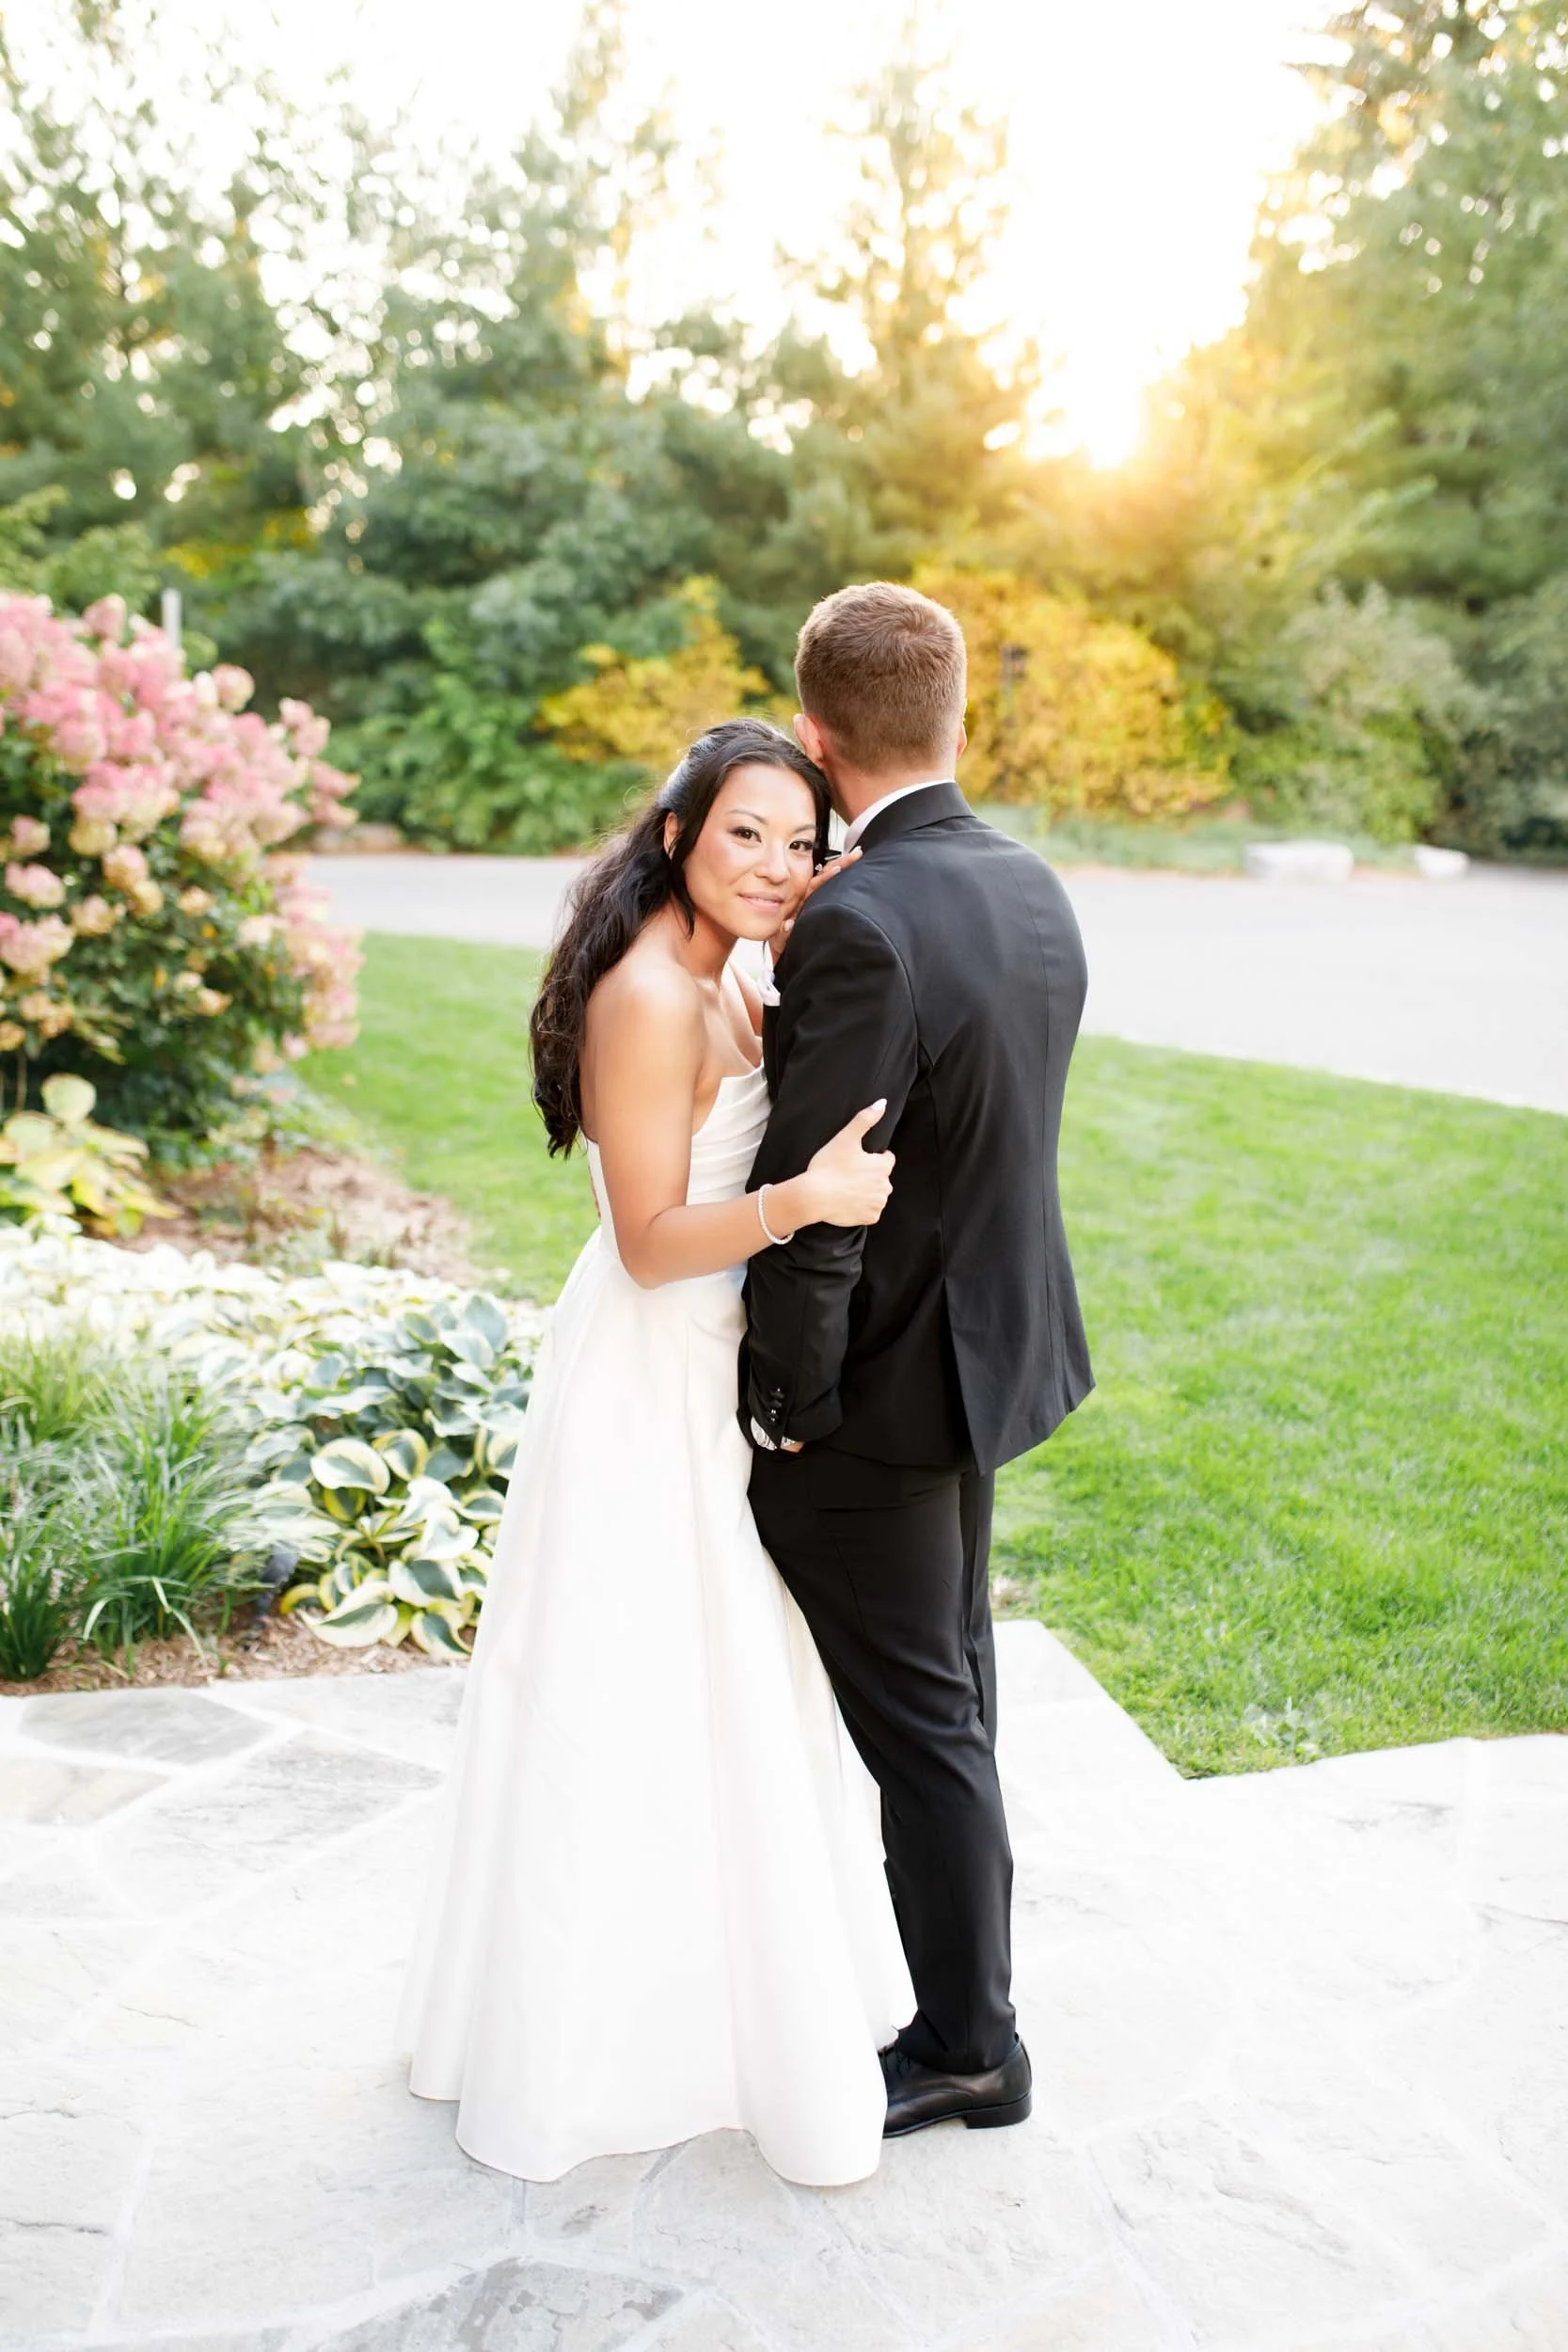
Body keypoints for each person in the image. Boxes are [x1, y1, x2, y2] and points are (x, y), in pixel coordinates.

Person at [397, 718, 914, 2188]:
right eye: (742, 832)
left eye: (798, 839)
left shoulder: (728, 963)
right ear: (679, 831)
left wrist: (818, 896)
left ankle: (723, 1998)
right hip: (646, 1367)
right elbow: (642, 1244)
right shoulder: (645, 994)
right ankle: (598, 2035)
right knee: (628, 1685)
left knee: (726, 1683)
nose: (773, 863)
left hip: (704, 1358)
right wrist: (803, 1201)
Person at [743, 580, 1093, 2138]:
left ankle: (967, 2042)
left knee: (928, 1732)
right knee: (953, 1700)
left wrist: (787, 1408)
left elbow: (830, 1210)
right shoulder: (1032, 888)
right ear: (954, 718)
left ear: (815, 738)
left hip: (878, 1402)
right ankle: (971, 2015)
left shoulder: (857, 923)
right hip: (986, 1366)